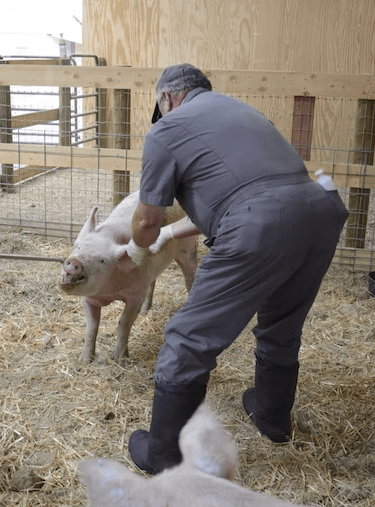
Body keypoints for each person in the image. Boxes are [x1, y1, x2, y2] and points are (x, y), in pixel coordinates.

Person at [123, 63, 349, 474]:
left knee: (187, 338)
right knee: (282, 322)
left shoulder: (166, 129)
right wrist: (171, 234)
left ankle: (164, 457)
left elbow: (145, 223)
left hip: (261, 222)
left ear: (167, 99)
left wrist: (141, 245)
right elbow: (239, 197)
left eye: (161, 107)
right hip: (319, 211)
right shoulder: (241, 112)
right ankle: (271, 416)